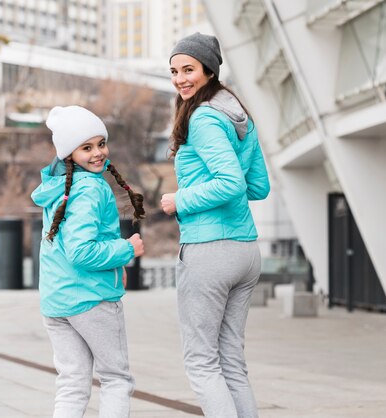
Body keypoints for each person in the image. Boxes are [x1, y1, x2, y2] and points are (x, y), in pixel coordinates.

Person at [160, 33, 270, 418]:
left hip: (210, 251)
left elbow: (232, 184)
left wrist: (180, 199)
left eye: (188, 69)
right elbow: (258, 186)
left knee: (202, 363)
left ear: (209, 69)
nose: (179, 79)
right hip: (245, 251)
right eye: (174, 71)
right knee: (231, 362)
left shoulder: (204, 118)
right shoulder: (238, 114)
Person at [31, 105, 145, 418]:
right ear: (69, 153)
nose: (97, 153)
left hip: (57, 301)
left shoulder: (57, 188)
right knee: (116, 378)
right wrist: (126, 250)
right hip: (91, 299)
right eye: (86, 147)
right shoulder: (90, 188)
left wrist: (115, 265)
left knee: (72, 382)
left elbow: (69, 245)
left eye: (101, 143)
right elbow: (81, 251)